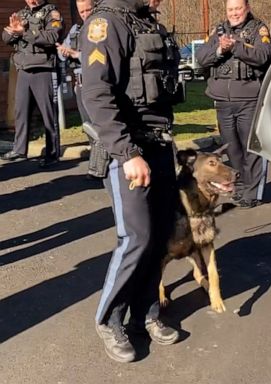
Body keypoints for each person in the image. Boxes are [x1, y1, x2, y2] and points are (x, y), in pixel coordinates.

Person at [80, 0, 182, 363]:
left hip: (158, 143)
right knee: (135, 237)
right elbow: (96, 94)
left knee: (159, 235)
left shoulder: (143, 22)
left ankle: (145, 314)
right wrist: (127, 153)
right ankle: (109, 319)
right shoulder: (105, 23)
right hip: (128, 151)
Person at [196, 0, 271, 208]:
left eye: (238, 8)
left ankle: (252, 192)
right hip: (222, 101)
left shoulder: (259, 29)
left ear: (246, 8)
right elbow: (201, 57)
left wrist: (236, 46)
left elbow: (262, 56)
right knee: (232, 149)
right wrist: (220, 50)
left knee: (252, 147)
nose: (234, 13)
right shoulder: (218, 30)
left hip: (249, 99)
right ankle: (239, 187)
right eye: (231, 9)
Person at [1, 0, 64, 168]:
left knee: (48, 114)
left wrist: (25, 32)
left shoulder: (52, 13)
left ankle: (52, 154)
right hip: (24, 69)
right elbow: (6, 37)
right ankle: (20, 149)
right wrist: (15, 31)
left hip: (44, 68)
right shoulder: (22, 14)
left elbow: (52, 36)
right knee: (20, 111)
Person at [56, 0, 93, 125]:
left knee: (100, 124)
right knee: (87, 123)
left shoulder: (102, 30)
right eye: (81, 11)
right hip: (80, 83)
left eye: (88, 10)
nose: (85, 14)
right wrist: (63, 51)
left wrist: (77, 55)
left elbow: (103, 59)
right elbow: (62, 56)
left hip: (96, 83)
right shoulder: (75, 30)